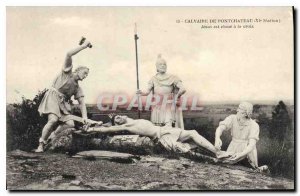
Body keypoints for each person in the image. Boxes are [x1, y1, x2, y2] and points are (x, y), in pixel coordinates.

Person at [35, 40, 92, 152]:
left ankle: (52, 136)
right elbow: (68, 54)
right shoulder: (67, 73)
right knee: (53, 120)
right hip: (53, 97)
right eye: (85, 73)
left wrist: (85, 117)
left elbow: (82, 103)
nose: (85, 76)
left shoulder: (77, 88)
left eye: (87, 75)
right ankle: (41, 144)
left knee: (70, 124)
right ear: (78, 70)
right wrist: (83, 46)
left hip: (63, 104)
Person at [87, 115, 225, 157]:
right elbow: (110, 128)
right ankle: (213, 157)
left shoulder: (134, 120)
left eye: (118, 116)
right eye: (116, 120)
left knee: (193, 133)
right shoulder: (127, 126)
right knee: (187, 151)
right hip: (162, 137)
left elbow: (118, 119)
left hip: (165, 130)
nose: (119, 118)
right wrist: (94, 128)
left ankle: (217, 152)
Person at [137, 54, 186, 128]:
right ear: (157, 67)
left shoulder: (173, 78)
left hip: (168, 105)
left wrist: (176, 97)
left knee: (168, 125)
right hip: (157, 105)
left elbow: (183, 89)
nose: (163, 66)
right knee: (157, 128)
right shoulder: (153, 79)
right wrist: (141, 93)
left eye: (164, 64)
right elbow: (147, 92)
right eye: (160, 64)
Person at [214, 102, 265, 170]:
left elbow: (251, 145)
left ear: (245, 113)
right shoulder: (232, 118)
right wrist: (217, 138)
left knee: (251, 170)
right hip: (233, 147)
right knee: (228, 167)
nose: (237, 110)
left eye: (240, 109)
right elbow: (220, 128)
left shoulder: (254, 125)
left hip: (247, 151)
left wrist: (240, 155)